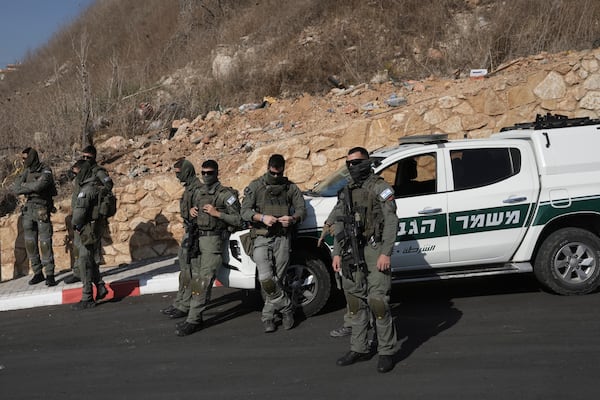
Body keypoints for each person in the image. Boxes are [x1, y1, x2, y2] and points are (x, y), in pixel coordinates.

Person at [330, 147, 398, 373]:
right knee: (355, 302)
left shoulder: (380, 188)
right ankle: (358, 348)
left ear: (367, 162)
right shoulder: (346, 190)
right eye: (349, 163)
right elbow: (339, 222)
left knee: (378, 302)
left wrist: (385, 253)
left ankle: (386, 351)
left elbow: (391, 222)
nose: (352, 167)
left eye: (357, 162)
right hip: (351, 251)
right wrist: (336, 253)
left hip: (374, 248)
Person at [173, 159, 242, 336]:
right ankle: (194, 314)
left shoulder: (226, 195)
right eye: (203, 173)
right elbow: (193, 214)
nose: (205, 176)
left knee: (203, 281)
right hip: (198, 240)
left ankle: (193, 320)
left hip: (213, 242)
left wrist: (216, 213)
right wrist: (192, 212)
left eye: (209, 173)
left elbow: (239, 220)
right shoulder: (199, 193)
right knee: (196, 279)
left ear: (217, 173)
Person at [241, 154, 306, 333]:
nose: (276, 177)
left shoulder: (290, 187)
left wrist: (292, 219)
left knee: (279, 277)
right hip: (262, 236)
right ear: (268, 168)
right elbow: (244, 211)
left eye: (279, 174)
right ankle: (286, 308)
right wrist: (261, 217)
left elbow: (302, 209)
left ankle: (268, 315)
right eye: (273, 173)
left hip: (283, 237)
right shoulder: (256, 186)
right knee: (266, 278)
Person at [64, 145, 113, 284]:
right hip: (80, 213)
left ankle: (93, 277)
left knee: (92, 249)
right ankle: (78, 272)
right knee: (78, 246)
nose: (85, 159)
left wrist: (95, 190)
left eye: (88, 157)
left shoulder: (98, 172)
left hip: (91, 216)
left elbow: (108, 187)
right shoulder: (82, 170)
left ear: (94, 157)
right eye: (83, 157)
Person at [10, 147, 58, 286]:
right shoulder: (26, 171)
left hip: (42, 208)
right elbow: (15, 188)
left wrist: (26, 186)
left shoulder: (46, 170)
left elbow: (39, 186)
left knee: (45, 243)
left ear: (32, 157)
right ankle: (38, 273)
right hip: (29, 209)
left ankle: (50, 274)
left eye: (25, 158)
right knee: (30, 243)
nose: (23, 161)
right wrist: (29, 186)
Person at [67, 159, 109, 300]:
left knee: (84, 261)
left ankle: (87, 296)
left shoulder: (86, 190)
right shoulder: (94, 184)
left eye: (76, 172)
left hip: (86, 229)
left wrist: (75, 225)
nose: (75, 175)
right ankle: (100, 286)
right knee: (90, 259)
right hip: (94, 226)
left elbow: (79, 214)